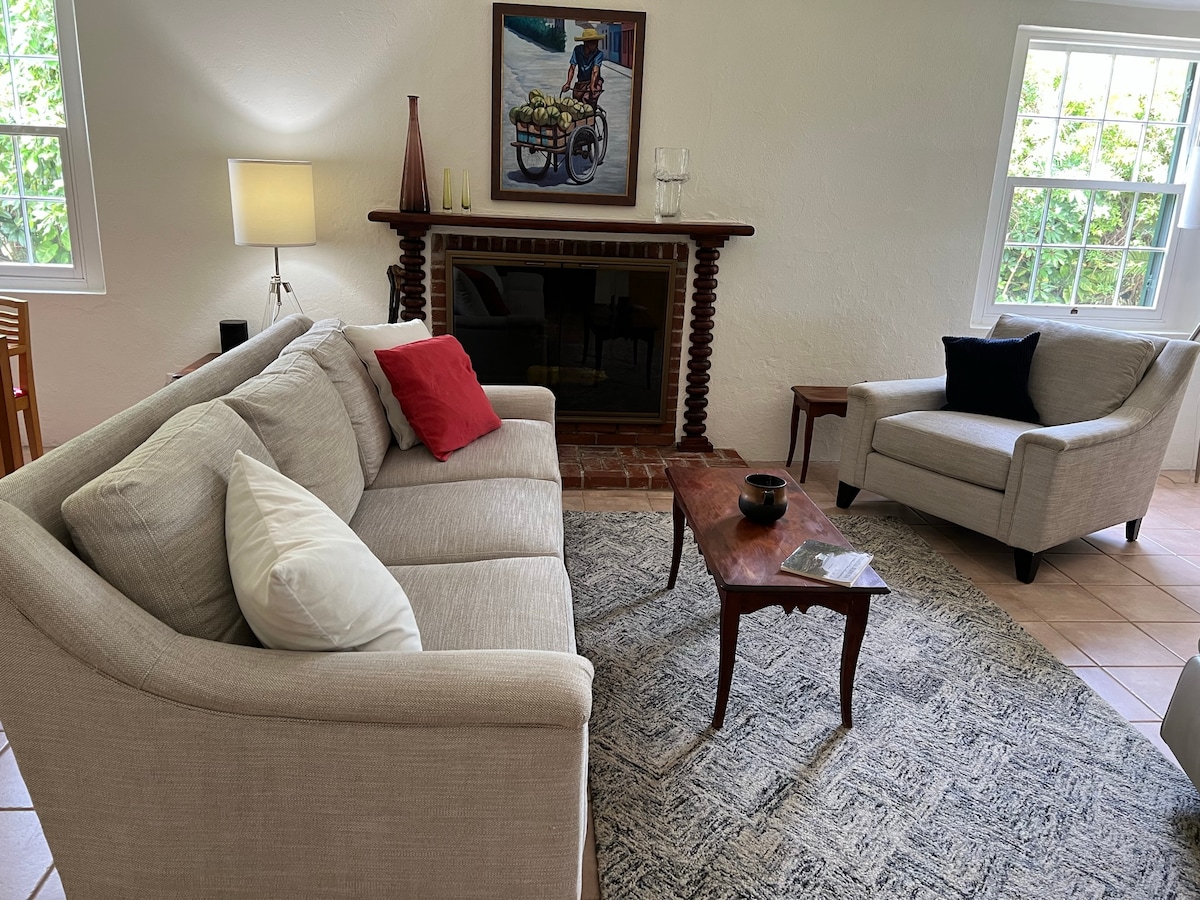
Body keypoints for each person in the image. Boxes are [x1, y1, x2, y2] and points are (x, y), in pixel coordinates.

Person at [561, 26, 605, 106]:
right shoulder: (577, 50)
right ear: (586, 43)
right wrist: (568, 83)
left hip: (595, 81)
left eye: (596, 42)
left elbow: (595, 71)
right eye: (593, 43)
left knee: (588, 98)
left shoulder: (599, 54)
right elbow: (572, 68)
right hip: (581, 81)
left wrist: (592, 86)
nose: (596, 45)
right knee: (576, 101)